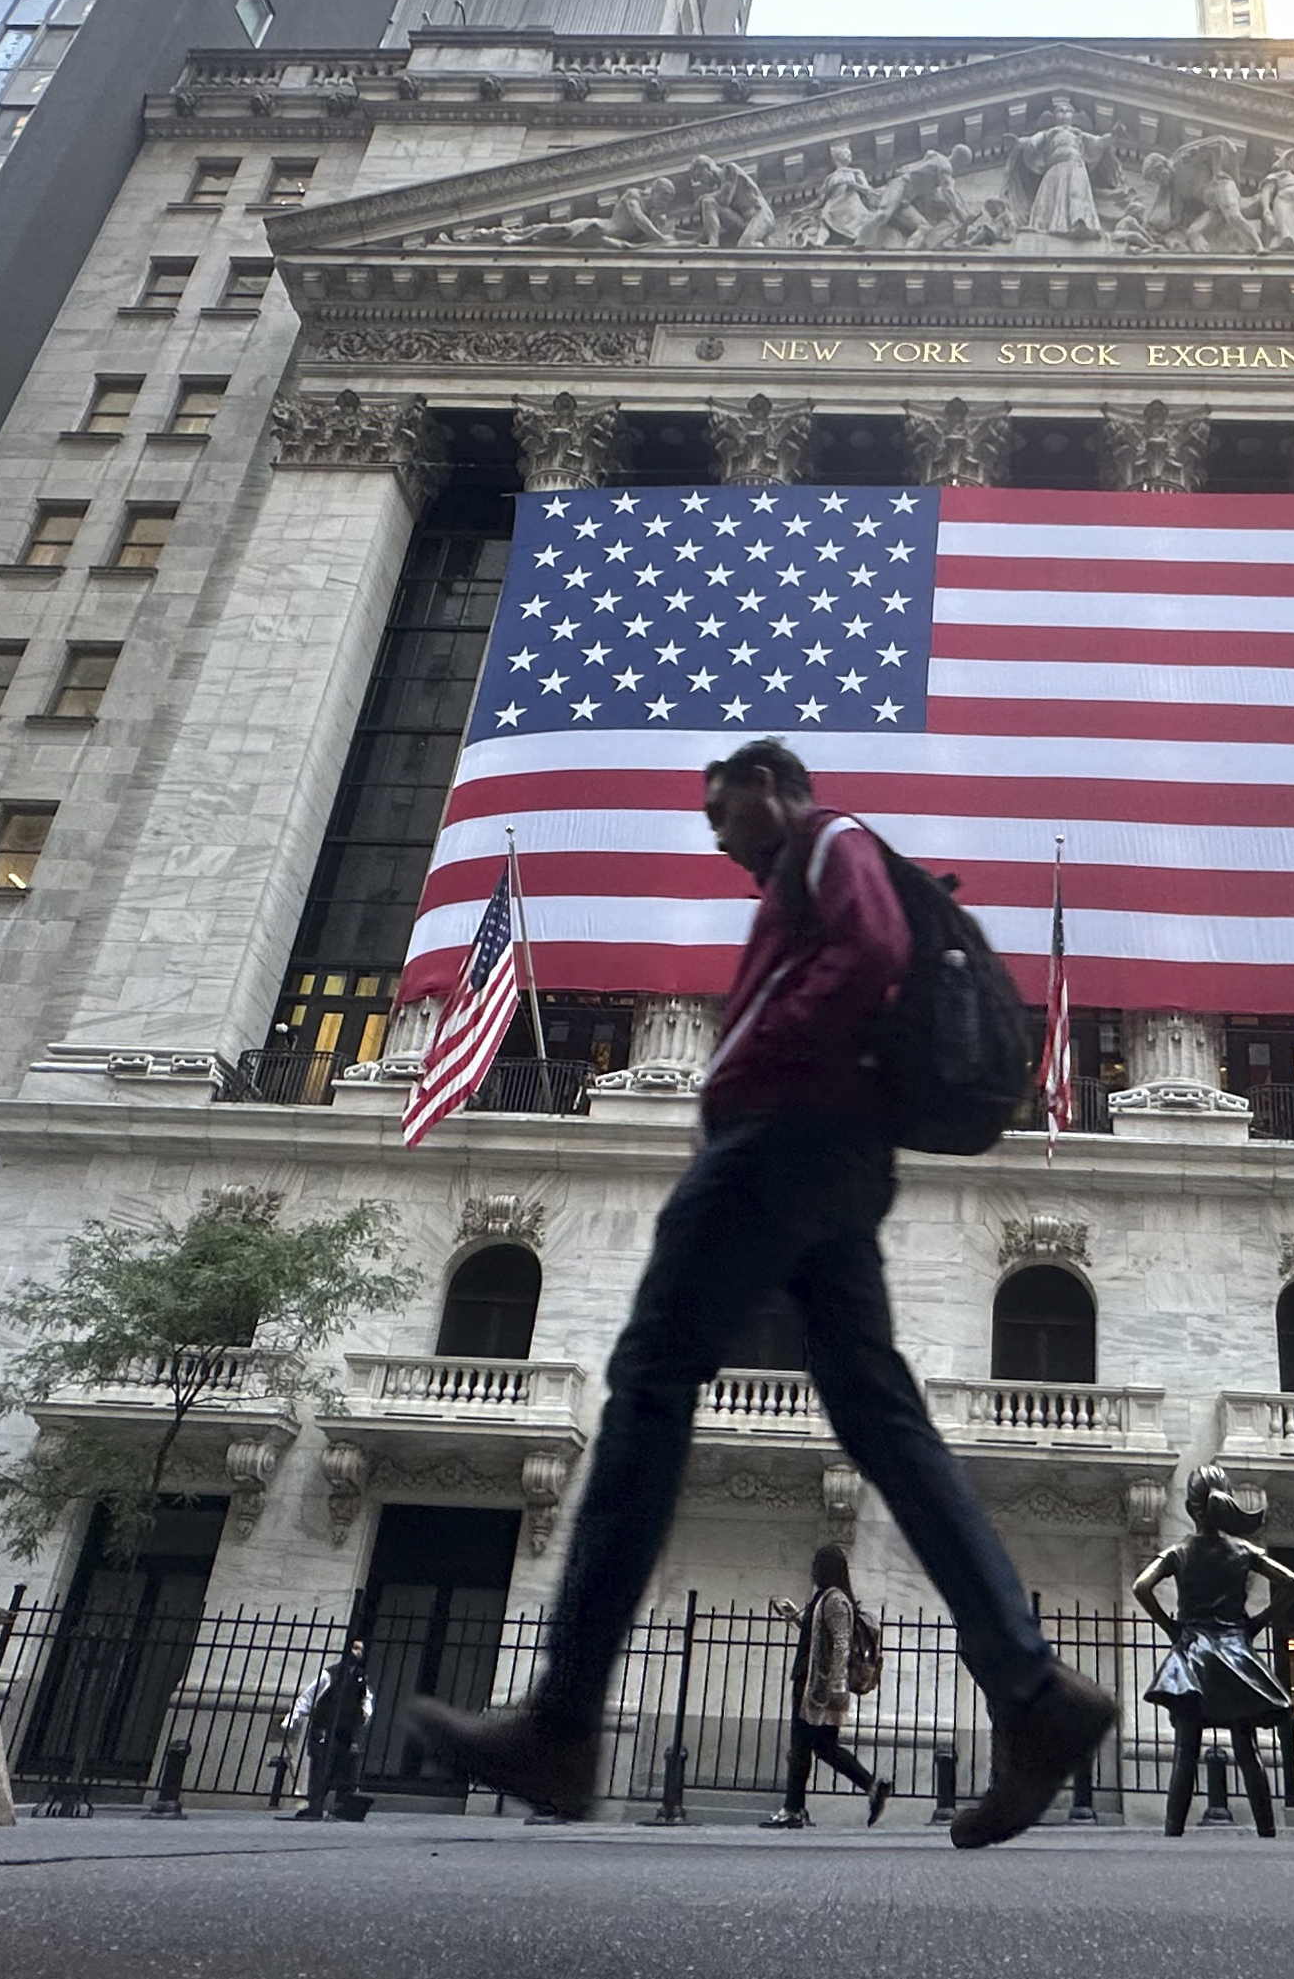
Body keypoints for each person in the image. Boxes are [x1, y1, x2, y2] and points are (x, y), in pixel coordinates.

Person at [407, 738, 1114, 1845]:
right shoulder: (794, 876)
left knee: (647, 1381)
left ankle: (563, 1714)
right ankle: (1032, 1692)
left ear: (776, 787)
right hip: (830, 1153)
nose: (714, 827)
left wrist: (758, 1062)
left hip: (780, 1138)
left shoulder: (828, 841)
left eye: (724, 804)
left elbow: (874, 947)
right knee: (879, 1417)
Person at [1132, 1468, 1294, 1838]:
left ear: (1190, 1507)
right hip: (1235, 1655)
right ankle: (1266, 1829)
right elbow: (1292, 1583)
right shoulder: (1243, 1551)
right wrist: (1257, 1623)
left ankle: (1173, 1830)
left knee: (1185, 1752)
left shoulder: (1179, 1552)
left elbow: (1141, 1586)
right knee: (1247, 1749)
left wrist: (1170, 1626)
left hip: (1193, 1655)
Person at [764, 1543, 895, 1828]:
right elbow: (820, 1637)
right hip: (817, 1683)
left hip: (817, 1687)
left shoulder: (835, 1600)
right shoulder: (826, 1598)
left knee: (801, 1746)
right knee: (824, 1747)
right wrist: (794, 1618)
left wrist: (833, 1687)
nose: (812, 1571)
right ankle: (872, 1785)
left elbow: (841, 1644)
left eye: (816, 1565)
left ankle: (793, 1809)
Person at [285, 1627, 374, 1822]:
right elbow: (308, 1697)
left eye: (360, 1649)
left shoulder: (360, 1677)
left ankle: (340, 1808)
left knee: (342, 1768)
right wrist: (291, 1719)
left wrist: (364, 1717)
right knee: (320, 1768)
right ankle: (314, 1807)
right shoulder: (330, 1674)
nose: (357, 1653)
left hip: (345, 1731)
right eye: (354, 1648)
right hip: (324, 1729)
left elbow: (366, 1699)